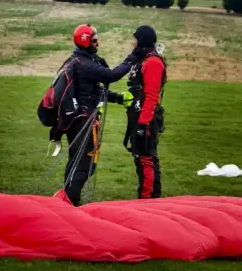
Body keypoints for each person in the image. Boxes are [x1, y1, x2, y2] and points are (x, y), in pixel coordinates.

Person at [58, 23, 138, 206]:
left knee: (77, 161)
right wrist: (132, 58)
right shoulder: (84, 64)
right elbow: (111, 75)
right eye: (94, 40)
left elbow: (92, 92)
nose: (97, 44)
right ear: (85, 42)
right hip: (83, 122)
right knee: (85, 165)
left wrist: (117, 98)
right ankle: (71, 202)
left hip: (78, 120)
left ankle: (67, 200)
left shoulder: (78, 61)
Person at [121, 24, 167, 199]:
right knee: (140, 157)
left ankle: (148, 198)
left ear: (142, 40)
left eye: (135, 38)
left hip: (145, 119)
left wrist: (143, 124)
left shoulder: (153, 62)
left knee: (146, 158)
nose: (132, 42)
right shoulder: (143, 60)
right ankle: (147, 197)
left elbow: (152, 95)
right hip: (138, 116)